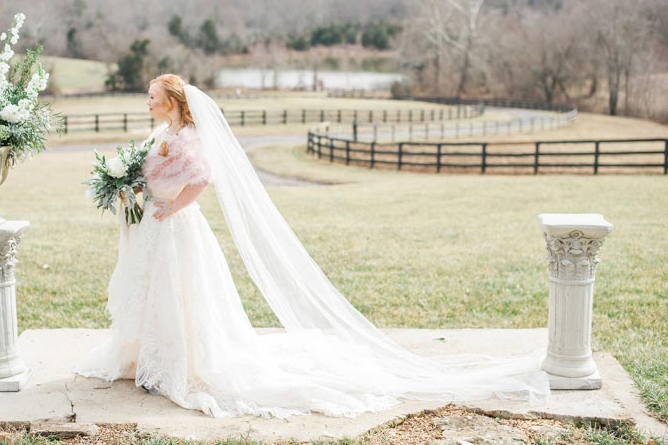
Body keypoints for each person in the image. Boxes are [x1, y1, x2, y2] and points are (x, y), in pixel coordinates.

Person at [73, 74, 550, 419]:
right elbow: (150, 170)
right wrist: (128, 187)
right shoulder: (164, 134)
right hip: (153, 227)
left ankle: (181, 364)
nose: (148, 103)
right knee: (151, 292)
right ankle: (144, 359)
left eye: (153, 97)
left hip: (175, 228)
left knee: (180, 296)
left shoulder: (191, 138)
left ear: (173, 101)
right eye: (149, 97)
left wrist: (170, 209)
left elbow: (201, 180)